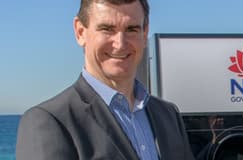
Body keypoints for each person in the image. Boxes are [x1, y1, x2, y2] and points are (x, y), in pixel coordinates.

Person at [15, 0, 194, 159]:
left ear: (145, 32)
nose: (120, 43)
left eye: (131, 29)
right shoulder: (50, 122)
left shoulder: (168, 114)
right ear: (80, 32)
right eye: (107, 29)